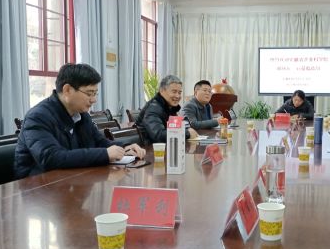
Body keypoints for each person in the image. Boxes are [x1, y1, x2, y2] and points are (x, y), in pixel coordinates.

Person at [14, 63, 145, 178]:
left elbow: (99, 142)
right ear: (67, 90)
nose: (94, 100)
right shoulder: (37, 117)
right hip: (37, 187)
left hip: (71, 180)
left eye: (95, 93)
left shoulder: (81, 115)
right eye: (89, 93)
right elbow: (51, 158)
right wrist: (105, 154)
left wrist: (124, 147)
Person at [136, 75, 198, 143]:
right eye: (174, 92)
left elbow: (174, 129)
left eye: (179, 93)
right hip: (147, 147)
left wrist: (187, 129)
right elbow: (159, 135)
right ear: (162, 91)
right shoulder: (153, 108)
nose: (177, 96)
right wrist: (187, 133)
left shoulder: (170, 107)